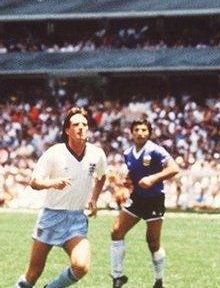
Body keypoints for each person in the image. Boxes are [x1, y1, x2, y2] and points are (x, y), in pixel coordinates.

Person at [15, 107, 107, 288]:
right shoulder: (55, 152)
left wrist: (94, 198)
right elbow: (34, 182)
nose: (81, 128)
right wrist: (52, 183)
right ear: (67, 131)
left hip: (76, 218)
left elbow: (102, 175)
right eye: (76, 125)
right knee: (32, 274)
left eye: (84, 124)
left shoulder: (97, 154)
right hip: (51, 216)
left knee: (81, 266)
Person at [110, 119, 180, 288]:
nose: (140, 133)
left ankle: (159, 279)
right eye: (136, 130)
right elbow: (133, 176)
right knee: (116, 232)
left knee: (153, 243)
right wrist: (126, 183)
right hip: (137, 199)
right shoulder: (127, 153)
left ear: (149, 132)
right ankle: (117, 277)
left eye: (143, 130)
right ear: (131, 133)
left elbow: (174, 169)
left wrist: (153, 178)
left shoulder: (156, 150)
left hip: (154, 200)